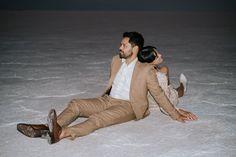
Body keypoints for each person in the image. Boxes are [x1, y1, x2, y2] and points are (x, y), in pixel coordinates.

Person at [17, 32, 197, 145]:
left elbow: (158, 94)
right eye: (121, 44)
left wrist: (176, 114)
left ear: (134, 48)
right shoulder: (116, 60)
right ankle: (47, 128)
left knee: (97, 119)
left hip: (128, 106)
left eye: (124, 45)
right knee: (76, 104)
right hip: (108, 100)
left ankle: (61, 133)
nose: (120, 47)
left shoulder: (146, 69)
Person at [138, 46, 198, 118]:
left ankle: (169, 87)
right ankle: (182, 85)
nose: (160, 55)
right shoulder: (159, 74)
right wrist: (178, 112)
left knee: (164, 71)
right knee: (178, 91)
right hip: (162, 102)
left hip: (148, 103)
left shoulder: (140, 71)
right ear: (150, 62)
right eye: (157, 56)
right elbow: (163, 100)